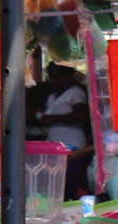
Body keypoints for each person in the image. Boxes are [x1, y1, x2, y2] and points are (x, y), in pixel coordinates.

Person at [39, 63, 93, 200]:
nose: (53, 81)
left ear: (67, 77)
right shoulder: (52, 96)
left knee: (67, 186)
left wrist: (52, 118)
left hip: (72, 148)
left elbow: (80, 115)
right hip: (54, 149)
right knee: (54, 187)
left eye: (56, 78)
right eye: (51, 78)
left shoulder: (75, 93)